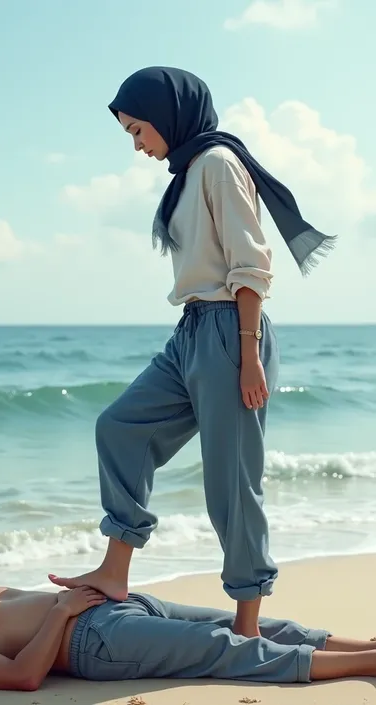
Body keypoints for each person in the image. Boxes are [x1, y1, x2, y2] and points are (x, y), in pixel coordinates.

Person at [48, 66, 336, 637]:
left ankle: (248, 624)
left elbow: (251, 266)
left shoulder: (218, 166)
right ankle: (115, 570)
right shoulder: (189, 170)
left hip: (232, 330)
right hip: (192, 332)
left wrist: (249, 355)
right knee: (120, 427)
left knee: (231, 483)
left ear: (167, 114)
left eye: (137, 131)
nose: (137, 145)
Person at [0, 585, 376, 690]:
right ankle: (367, 665)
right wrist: (64, 611)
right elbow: (23, 675)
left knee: (251, 623)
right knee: (228, 649)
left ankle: (365, 646)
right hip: (96, 639)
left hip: (120, 604)